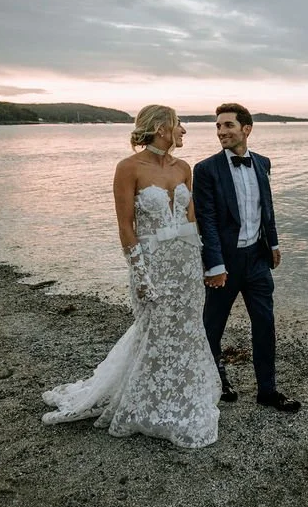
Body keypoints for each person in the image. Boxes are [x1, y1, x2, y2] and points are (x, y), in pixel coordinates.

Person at [41, 105, 221, 447]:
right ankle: (145, 401)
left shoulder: (184, 168)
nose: (184, 130)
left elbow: (190, 221)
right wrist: (139, 272)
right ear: (162, 128)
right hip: (151, 265)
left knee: (186, 329)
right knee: (151, 329)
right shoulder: (127, 168)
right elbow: (126, 227)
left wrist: (203, 263)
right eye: (179, 124)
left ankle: (181, 393)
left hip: (184, 264)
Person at [194, 103, 301, 413]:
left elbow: (266, 209)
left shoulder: (263, 163)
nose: (221, 132)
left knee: (265, 324)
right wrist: (215, 265)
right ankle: (217, 379)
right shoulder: (205, 170)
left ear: (246, 129)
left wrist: (275, 244)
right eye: (218, 126)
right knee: (212, 327)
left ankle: (267, 390)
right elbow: (207, 220)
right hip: (223, 263)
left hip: (257, 258)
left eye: (227, 125)